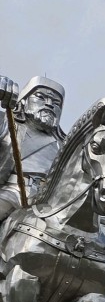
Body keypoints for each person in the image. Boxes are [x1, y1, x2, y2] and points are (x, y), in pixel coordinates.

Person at [0, 75, 67, 222]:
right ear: (23, 101)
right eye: (41, 97)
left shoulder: (64, 145)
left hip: (49, 203)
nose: (49, 104)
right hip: (12, 192)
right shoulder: (6, 123)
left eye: (56, 102)